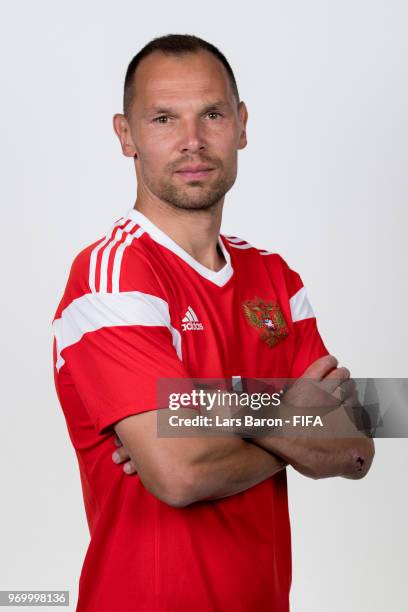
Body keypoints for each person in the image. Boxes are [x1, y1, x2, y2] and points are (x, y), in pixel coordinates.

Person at [52, 34, 375, 612]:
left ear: (242, 124)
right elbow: (179, 474)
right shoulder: (111, 272)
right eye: (163, 118)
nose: (193, 141)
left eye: (213, 114)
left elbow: (356, 447)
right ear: (126, 135)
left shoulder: (278, 277)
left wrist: (212, 405)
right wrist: (294, 417)